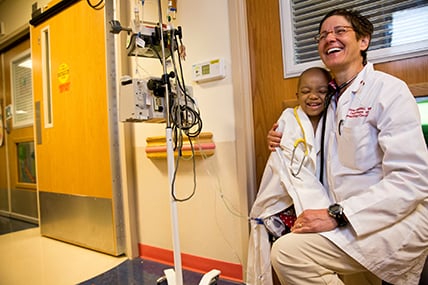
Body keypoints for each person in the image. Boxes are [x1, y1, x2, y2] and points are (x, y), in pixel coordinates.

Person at [267, 8, 428, 285]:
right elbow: (308, 134)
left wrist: (337, 216)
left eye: (340, 31)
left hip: (393, 219)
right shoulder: (331, 101)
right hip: (348, 218)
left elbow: (412, 180)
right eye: (323, 35)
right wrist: (282, 135)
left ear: (363, 41)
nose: (330, 38)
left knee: (287, 253)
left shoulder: (388, 90)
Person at [247, 67, 333, 285]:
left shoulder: (334, 117)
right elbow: (280, 156)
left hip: (325, 200)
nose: (313, 96)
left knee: (318, 258)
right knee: (288, 255)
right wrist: (274, 141)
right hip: (290, 201)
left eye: (321, 91)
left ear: (330, 93)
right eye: (306, 91)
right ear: (297, 96)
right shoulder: (289, 117)